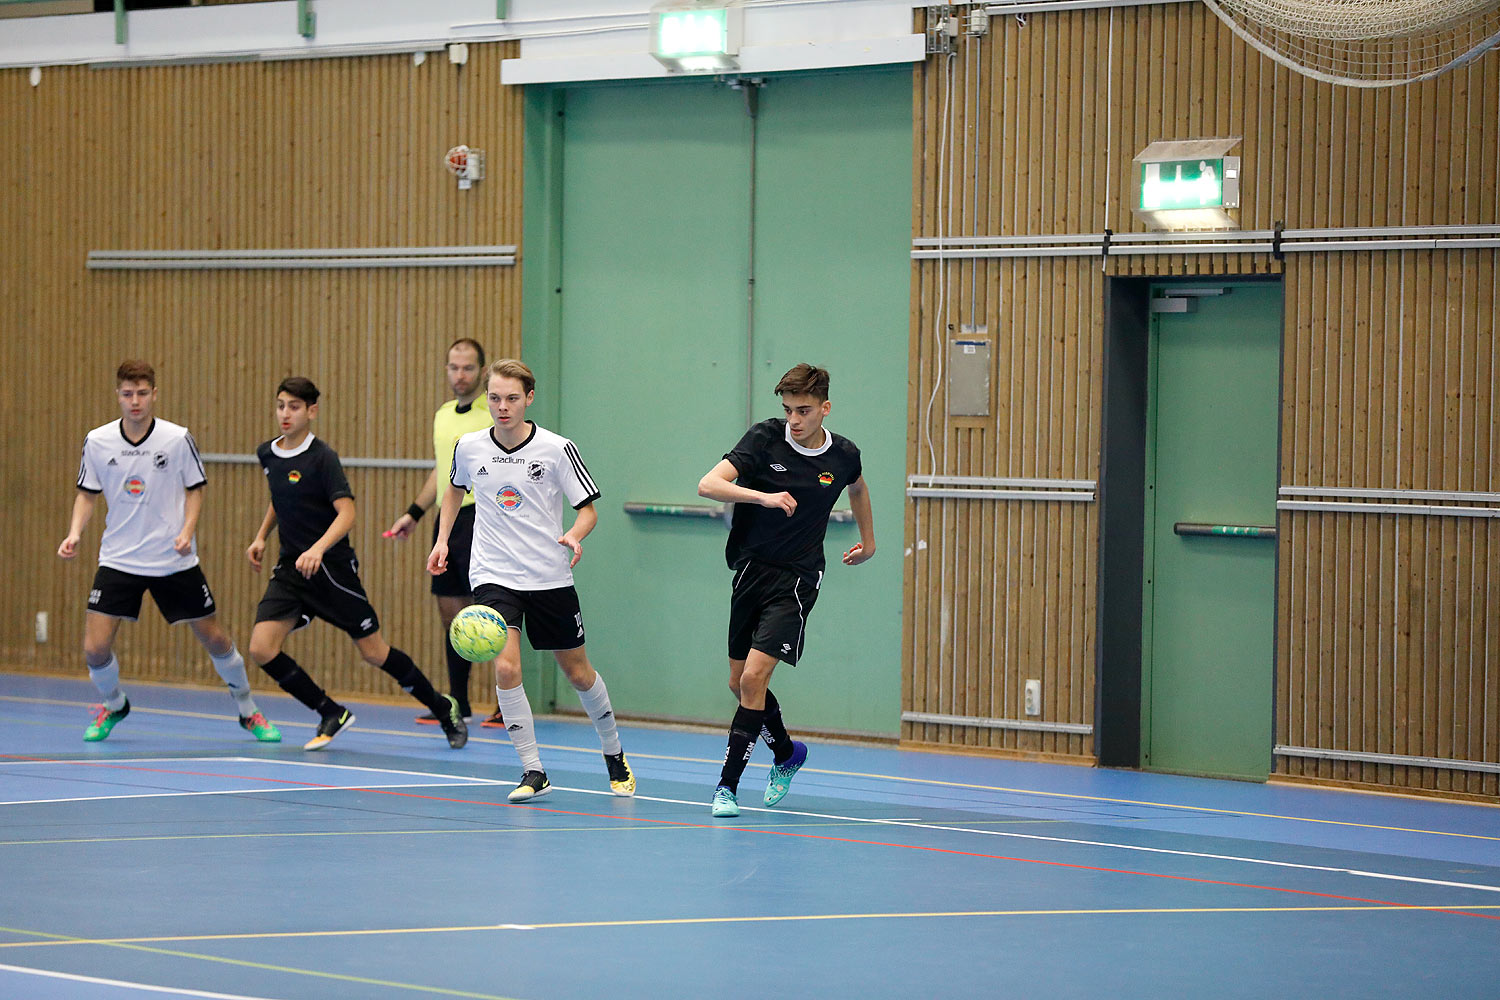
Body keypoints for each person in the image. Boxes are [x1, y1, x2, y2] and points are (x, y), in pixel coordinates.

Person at [427, 359, 635, 801]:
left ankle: (613, 752)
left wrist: (575, 537)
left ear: (530, 398)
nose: (503, 407)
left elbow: (588, 510)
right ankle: (532, 770)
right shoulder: (469, 447)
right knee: (505, 665)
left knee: (578, 673)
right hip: (493, 573)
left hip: (548, 574)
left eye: (512, 399)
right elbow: (453, 490)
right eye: (496, 398)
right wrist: (442, 540)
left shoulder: (557, 449)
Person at [57, 360, 281, 744]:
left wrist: (187, 530)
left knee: (214, 638)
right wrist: (75, 532)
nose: (135, 401)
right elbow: (87, 494)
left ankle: (247, 709)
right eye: (128, 394)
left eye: (142, 393)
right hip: (119, 558)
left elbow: (195, 488)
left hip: (173, 559)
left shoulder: (177, 439)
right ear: (118, 396)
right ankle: (114, 704)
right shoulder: (97, 441)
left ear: (154, 394)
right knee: (94, 648)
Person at [245, 376, 467, 752]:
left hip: (331, 571)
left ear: (311, 412)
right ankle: (330, 711)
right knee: (261, 647)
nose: (286, 413)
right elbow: (279, 497)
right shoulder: (268, 453)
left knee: (374, 652)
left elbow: (347, 513)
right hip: (291, 571)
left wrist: (317, 549)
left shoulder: (322, 458)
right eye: (281, 405)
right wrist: (261, 535)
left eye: (294, 407)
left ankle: (443, 709)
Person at [696, 363, 875, 817]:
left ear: (825, 409)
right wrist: (763, 497)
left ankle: (726, 789)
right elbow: (708, 484)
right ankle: (787, 754)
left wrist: (869, 542)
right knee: (739, 684)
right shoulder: (765, 438)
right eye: (788, 410)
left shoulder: (844, 455)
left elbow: (857, 488)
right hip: (750, 571)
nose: (794, 420)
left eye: (804, 410)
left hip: (797, 578)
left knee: (755, 678)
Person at [384, 338, 502, 729]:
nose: (460, 375)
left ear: (482, 372)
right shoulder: (443, 416)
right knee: (452, 615)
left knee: (496, 609)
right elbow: (443, 471)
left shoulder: (494, 415)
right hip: (448, 522)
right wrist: (414, 514)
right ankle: (460, 703)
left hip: (485, 520)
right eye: (453, 367)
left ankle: (507, 701)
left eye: (468, 368)